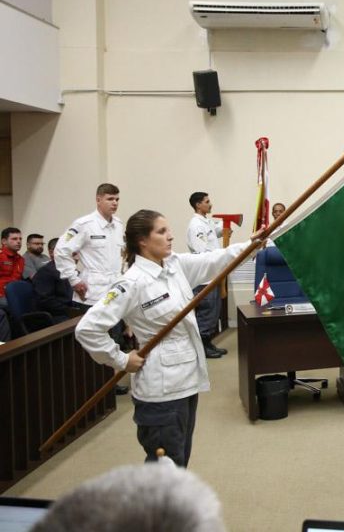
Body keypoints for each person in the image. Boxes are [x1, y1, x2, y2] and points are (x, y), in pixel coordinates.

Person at [75, 209, 258, 466]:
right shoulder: (132, 282)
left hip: (186, 380)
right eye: (162, 232)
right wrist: (120, 359)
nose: (171, 236)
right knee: (165, 465)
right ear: (142, 241)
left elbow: (216, 259)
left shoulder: (175, 266)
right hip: (160, 388)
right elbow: (88, 329)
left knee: (179, 459)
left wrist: (253, 244)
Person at [56, 183, 129, 393]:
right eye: (109, 199)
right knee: (96, 340)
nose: (114, 203)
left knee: (114, 338)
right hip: (92, 293)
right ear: (98, 199)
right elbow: (61, 250)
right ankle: (95, 386)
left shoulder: (118, 224)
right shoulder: (84, 224)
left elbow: (120, 257)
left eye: (117, 199)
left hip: (115, 290)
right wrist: (73, 279)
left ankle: (109, 384)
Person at [31, 460, 226, 532]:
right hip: (161, 395)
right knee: (163, 465)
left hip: (184, 387)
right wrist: (123, 365)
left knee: (177, 462)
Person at [187, 192, 226, 358]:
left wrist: (227, 224)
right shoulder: (196, 225)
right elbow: (202, 250)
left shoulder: (206, 221)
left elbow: (216, 231)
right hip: (204, 276)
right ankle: (202, 346)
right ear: (198, 205)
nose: (211, 204)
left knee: (214, 310)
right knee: (206, 310)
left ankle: (208, 342)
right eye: (207, 202)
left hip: (214, 273)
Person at [33, 238, 87, 323]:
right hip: (56, 315)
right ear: (53, 253)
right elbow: (46, 301)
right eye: (71, 254)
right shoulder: (45, 273)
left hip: (72, 310)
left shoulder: (72, 272)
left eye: (76, 254)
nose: (76, 258)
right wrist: (72, 310)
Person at [0, 227, 24, 308]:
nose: (18, 241)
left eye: (20, 239)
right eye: (14, 239)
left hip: (14, 293)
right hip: (2, 295)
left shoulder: (21, 259)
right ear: (4, 241)